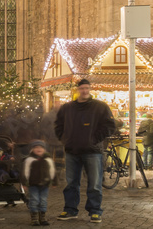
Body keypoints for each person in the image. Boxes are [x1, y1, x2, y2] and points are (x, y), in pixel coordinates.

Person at [54, 78, 116, 222]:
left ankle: (95, 211)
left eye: (87, 88)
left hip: (92, 151)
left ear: (90, 89)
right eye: (82, 88)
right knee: (71, 183)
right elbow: (58, 125)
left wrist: (94, 139)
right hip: (72, 151)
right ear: (78, 90)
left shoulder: (100, 107)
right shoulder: (67, 108)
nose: (85, 91)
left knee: (94, 183)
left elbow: (109, 126)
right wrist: (65, 139)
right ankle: (70, 210)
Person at [24, 139, 55, 226]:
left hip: (45, 184)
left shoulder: (48, 159)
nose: (39, 149)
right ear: (32, 149)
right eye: (36, 147)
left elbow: (52, 170)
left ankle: (43, 217)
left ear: (44, 149)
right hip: (33, 184)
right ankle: (34, 218)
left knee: (43, 200)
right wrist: (25, 182)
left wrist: (54, 181)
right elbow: (25, 172)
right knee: (34, 200)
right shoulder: (29, 159)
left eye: (41, 147)